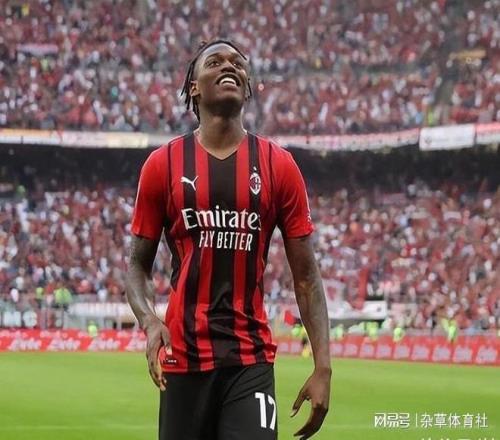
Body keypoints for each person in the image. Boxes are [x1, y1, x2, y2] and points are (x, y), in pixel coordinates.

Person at [126, 39, 331, 440]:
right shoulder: (161, 165)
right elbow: (137, 266)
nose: (230, 66)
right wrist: (149, 321)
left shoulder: (279, 166)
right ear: (194, 87)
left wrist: (322, 366)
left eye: (238, 63)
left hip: (249, 358)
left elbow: (307, 277)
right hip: (183, 358)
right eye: (215, 61)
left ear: (248, 85)